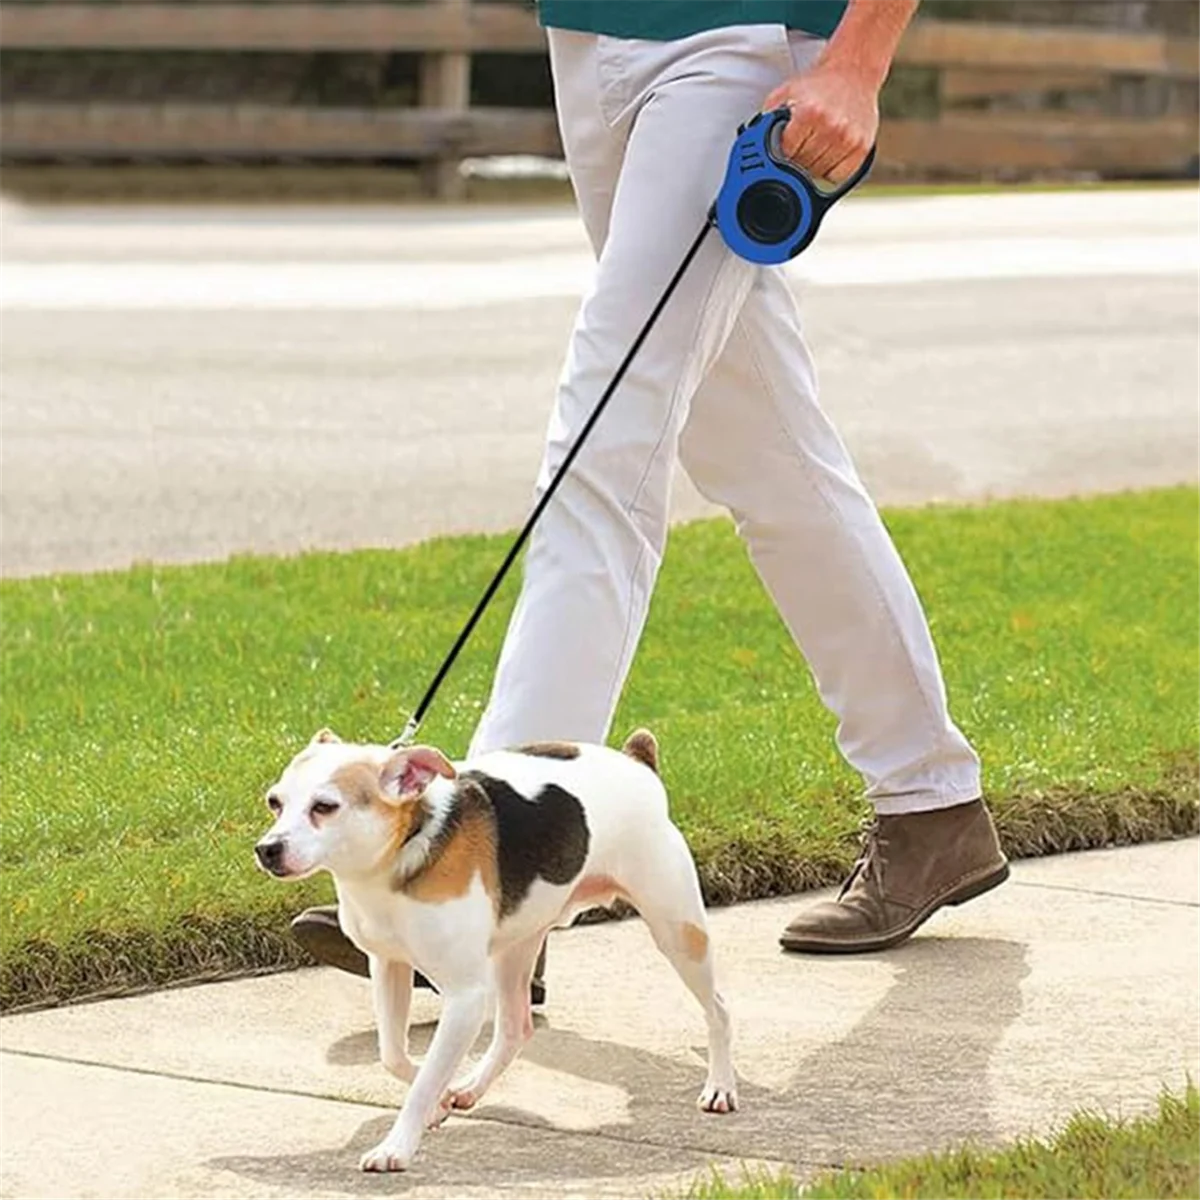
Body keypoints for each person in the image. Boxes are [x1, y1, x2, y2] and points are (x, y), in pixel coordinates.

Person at [292, 0, 1008, 995]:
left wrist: (858, 61)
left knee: (605, 448)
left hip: (736, 47)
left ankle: (484, 888)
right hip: (590, 38)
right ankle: (932, 809)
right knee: (767, 453)